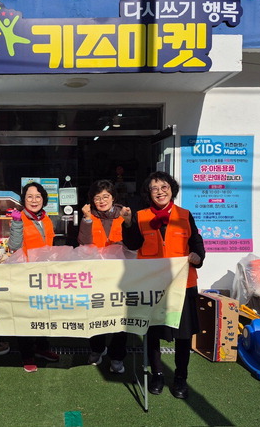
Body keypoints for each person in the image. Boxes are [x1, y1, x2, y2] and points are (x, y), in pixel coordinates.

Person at [121, 171, 205, 399]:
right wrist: (128, 222)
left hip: (183, 284)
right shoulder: (140, 216)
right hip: (153, 286)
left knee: (184, 335)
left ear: (172, 189)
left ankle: (180, 378)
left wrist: (198, 255)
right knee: (153, 333)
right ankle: (157, 375)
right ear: (148, 193)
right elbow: (132, 244)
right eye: (154, 188)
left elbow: (196, 241)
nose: (160, 192)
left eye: (164, 187)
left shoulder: (185, 215)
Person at [78, 179, 131, 374]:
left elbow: (134, 242)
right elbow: (83, 243)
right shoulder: (89, 216)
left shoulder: (124, 214)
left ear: (113, 197)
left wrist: (129, 221)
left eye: (106, 196)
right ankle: (97, 349)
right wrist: (87, 219)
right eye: (97, 197)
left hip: (121, 275)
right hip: (96, 275)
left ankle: (117, 356)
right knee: (95, 313)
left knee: (120, 317)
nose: (102, 201)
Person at [8, 181, 60, 372]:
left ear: (43, 199)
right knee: (26, 315)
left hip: (45, 273)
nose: (34, 200)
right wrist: (16, 224)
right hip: (25, 275)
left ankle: (42, 348)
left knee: (44, 313)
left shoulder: (46, 219)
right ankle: (27, 355)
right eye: (29, 196)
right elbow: (13, 246)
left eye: (38, 196)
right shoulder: (19, 218)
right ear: (24, 200)